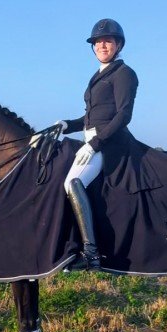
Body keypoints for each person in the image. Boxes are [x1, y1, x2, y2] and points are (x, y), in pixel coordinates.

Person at [56, 18, 139, 271]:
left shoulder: (124, 73)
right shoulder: (98, 76)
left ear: (118, 45)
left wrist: (96, 143)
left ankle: (92, 254)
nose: (102, 46)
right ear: (93, 47)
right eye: (98, 42)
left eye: (108, 41)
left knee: (72, 182)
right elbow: (89, 117)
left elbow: (123, 115)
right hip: (93, 138)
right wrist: (65, 125)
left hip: (110, 142)